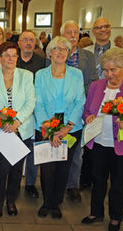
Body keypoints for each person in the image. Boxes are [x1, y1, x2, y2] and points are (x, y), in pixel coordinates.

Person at [82, 47, 123, 231]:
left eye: (113, 70)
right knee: (98, 180)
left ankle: (115, 217)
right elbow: (87, 110)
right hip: (98, 142)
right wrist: (87, 117)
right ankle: (96, 212)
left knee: (118, 182)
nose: (109, 74)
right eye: (106, 70)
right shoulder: (96, 86)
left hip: (122, 144)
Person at [34, 36, 85, 219]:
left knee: (64, 167)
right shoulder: (40, 75)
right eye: (56, 48)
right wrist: (49, 129)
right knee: (47, 167)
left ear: (69, 53)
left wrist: (67, 127)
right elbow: (38, 103)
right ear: (49, 53)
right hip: (45, 127)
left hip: (71, 128)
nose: (61, 52)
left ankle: (57, 203)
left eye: (65, 49)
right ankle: (47, 202)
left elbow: (80, 101)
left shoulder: (76, 74)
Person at [0, 42, 36, 217]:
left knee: (16, 169)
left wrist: (17, 121)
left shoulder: (26, 76)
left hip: (22, 129)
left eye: (14, 55)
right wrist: (3, 121)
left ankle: (11, 201)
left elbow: (31, 102)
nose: (11, 59)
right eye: (7, 55)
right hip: (1, 130)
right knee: (1, 168)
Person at [61, 20, 99, 202]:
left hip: (80, 108)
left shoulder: (88, 57)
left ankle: (72, 185)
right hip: (58, 109)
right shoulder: (56, 54)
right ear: (62, 35)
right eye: (69, 32)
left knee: (76, 151)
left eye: (75, 32)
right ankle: (57, 183)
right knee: (57, 147)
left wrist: (79, 97)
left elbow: (93, 81)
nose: (73, 36)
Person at [16, 30, 46, 199]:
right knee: (16, 148)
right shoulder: (13, 61)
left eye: (31, 40)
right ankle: (13, 180)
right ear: (19, 43)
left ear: (35, 44)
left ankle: (30, 184)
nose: (28, 43)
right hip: (16, 114)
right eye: (24, 40)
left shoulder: (43, 63)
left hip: (35, 112)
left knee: (34, 150)